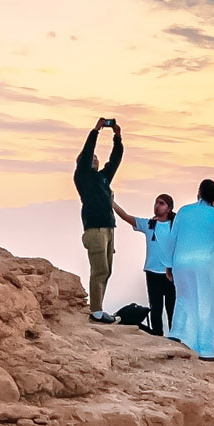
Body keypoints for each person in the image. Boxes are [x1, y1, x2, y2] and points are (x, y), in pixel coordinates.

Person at [164, 180, 214, 356]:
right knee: (207, 304)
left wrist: (168, 264)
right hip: (205, 265)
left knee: (183, 299)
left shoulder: (184, 211)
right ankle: (206, 350)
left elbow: (173, 238)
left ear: (199, 193)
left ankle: (178, 335)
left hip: (181, 263)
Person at [73, 119, 124, 320]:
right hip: (94, 230)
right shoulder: (82, 177)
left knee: (107, 270)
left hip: (109, 228)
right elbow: (86, 154)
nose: (94, 158)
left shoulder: (103, 178)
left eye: (96, 157)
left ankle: (99, 308)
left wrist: (117, 136)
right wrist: (96, 131)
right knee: (99, 269)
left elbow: (115, 161)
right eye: (91, 158)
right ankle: (96, 312)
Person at [116, 193, 176, 334]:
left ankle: (175, 337)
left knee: (172, 308)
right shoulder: (149, 224)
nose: (157, 206)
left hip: (171, 273)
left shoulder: (175, 226)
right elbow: (126, 217)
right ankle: (157, 337)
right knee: (155, 308)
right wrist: (112, 203)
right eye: (156, 203)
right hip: (152, 272)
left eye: (161, 203)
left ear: (169, 208)